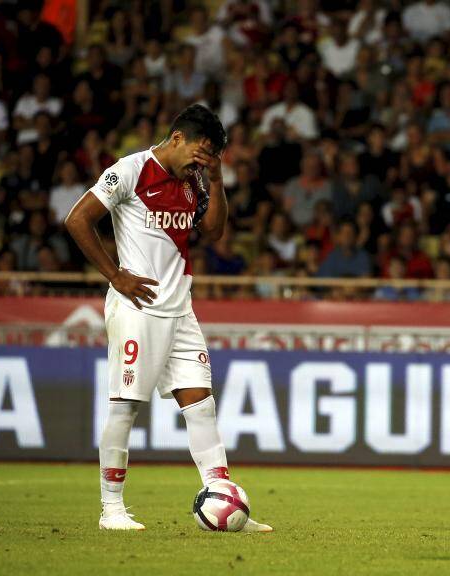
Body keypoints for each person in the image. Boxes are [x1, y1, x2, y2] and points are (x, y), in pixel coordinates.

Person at [63, 104, 272, 533]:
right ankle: (111, 509)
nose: (204, 159)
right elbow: (78, 218)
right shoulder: (132, 170)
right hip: (138, 308)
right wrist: (115, 275)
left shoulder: (195, 178)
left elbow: (213, 232)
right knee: (126, 408)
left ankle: (224, 501)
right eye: (202, 151)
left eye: (212, 155)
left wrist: (215, 179)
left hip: (180, 307)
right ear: (178, 138)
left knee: (201, 407)